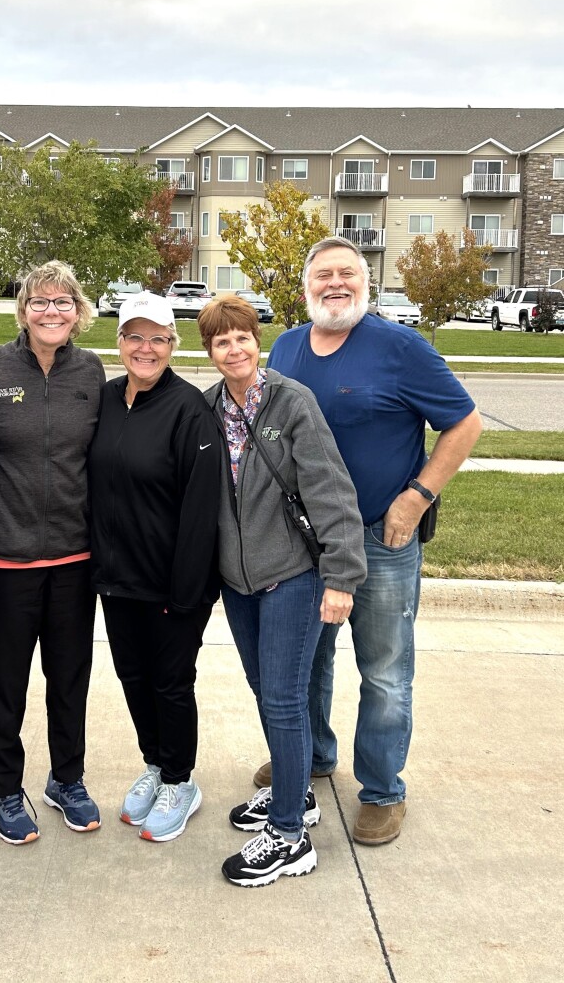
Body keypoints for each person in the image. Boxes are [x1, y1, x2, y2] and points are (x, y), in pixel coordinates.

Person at [266, 235, 483, 845]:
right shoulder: (286, 346)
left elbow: (464, 422)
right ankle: (309, 758)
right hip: (304, 541)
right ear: (306, 287)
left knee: (384, 671)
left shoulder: (400, 347)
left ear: (367, 282)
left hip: (380, 539)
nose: (335, 285)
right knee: (306, 661)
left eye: (347, 274)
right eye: (323, 276)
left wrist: (418, 496)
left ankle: (383, 789)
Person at [198, 296, 366, 887]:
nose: (235, 349)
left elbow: (331, 490)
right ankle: (297, 796)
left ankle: (291, 836)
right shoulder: (208, 408)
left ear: (256, 340)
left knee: (285, 699)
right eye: (222, 342)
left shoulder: (292, 402)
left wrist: (341, 576)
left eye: (243, 337)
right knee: (264, 689)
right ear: (210, 352)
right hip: (237, 581)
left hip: (292, 574)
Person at [0, 261, 105, 843]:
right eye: (40, 301)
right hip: (4, 561)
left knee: (69, 679)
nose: (52, 311)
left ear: (79, 312)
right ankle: (4, 789)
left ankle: (66, 779)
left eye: (64, 302)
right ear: (23, 310)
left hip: (74, 560)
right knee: (5, 685)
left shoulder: (91, 371)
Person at [88, 291, 220, 842]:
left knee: (171, 683)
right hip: (118, 581)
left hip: (173, 584)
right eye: (134, 337)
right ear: (119, 343)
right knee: (133, 678)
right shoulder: (106, 398)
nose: (146, 348)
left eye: (158, 338)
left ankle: (180, 780)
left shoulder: (189, 409)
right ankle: (154, 763)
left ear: (173, 344)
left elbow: (202, 508)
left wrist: (185, 592)